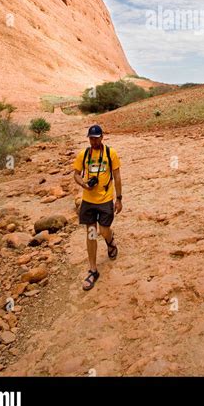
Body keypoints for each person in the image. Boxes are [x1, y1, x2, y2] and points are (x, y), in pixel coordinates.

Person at [73, 124, 123, 290]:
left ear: (102, 137)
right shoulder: (84, 154)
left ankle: (110, 241)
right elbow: (76, 174)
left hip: (105, 199)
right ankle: (93, 270)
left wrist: (119, 199)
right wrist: (84, 185)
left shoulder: (111, 153)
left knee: (104, 230)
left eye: (96, 138)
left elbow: (117, 177)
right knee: (91, 233)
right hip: (88, 200)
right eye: (91, 138)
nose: (93, 141)